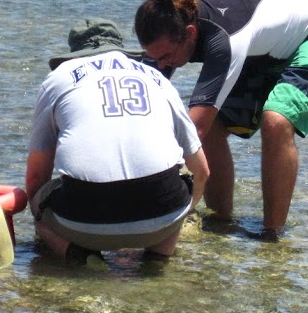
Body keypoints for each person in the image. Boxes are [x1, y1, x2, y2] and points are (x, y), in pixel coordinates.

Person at [134, 0, 308, 237]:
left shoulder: (225, 39)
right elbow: (142, 113)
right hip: (265, 48)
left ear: (190, 34)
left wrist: (151, 199)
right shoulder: (173, 29)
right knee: (213, 126)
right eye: (153, 58)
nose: (161, 67)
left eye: (167, 58)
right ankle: (220, 223)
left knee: (276, 121)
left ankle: (272, 236)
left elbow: (195, 129)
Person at [26, 18, 209, 267]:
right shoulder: (158, 79)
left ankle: (78, 255)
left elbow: (36, 176)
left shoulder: (58, 78)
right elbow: (202, 170)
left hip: (85, 218)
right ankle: (156, 257)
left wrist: (39, 216)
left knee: (39, 200)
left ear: (74, 54)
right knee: (181, 179)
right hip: (162, 213)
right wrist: (176, 217)